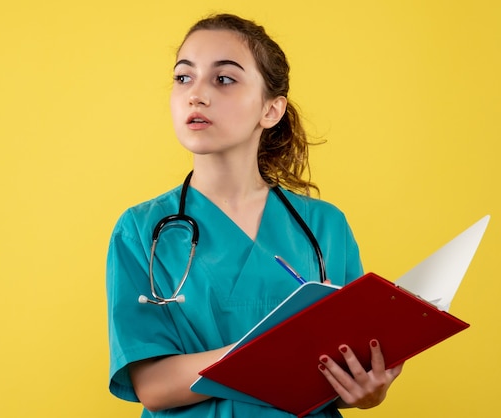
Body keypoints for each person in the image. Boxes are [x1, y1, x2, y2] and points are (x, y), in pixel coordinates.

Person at [106, 13, 403, 417]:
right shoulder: (141, 230)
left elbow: (349, 369)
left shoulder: (325, 227)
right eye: (183, 78)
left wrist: (367, 391)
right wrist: (266, 349)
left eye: (223, 79)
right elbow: (153, 386)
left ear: (271, 109)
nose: (196, 95)